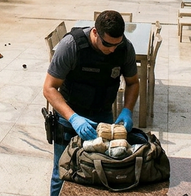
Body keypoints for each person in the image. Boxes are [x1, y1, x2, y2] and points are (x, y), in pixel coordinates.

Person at [43, 10, 140, 196]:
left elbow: (133, 82)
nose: (112, 50)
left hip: (102, 116)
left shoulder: (125, 48)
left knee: (101, 170)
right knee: (62, 171)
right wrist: (73, 118)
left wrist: (127, 110)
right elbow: (49, 88)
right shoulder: (71, 46)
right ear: (95, 32)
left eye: (116, 44)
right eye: (107, 44)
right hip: (69, 116)